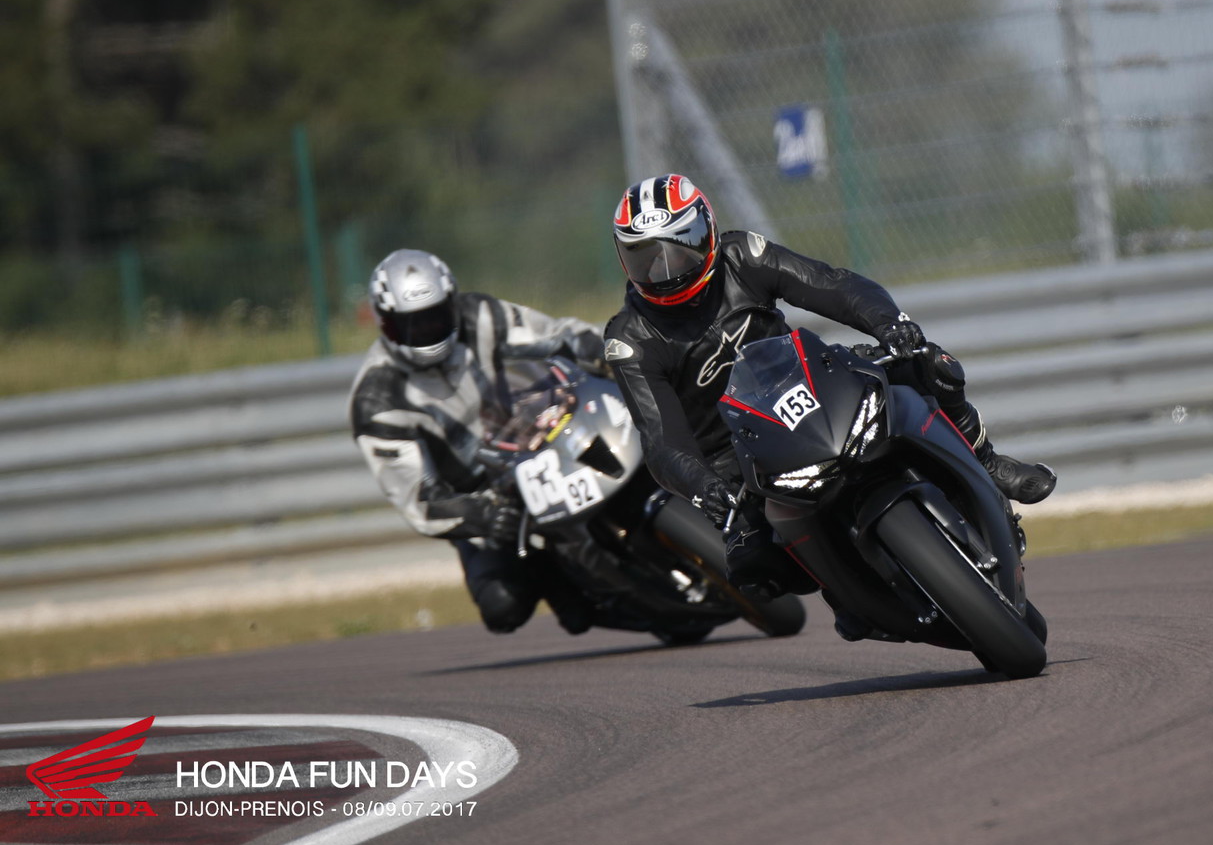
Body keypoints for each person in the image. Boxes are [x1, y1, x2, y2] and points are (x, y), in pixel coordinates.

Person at [602, 174, 1056, 605]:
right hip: (738, 456)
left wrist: (889, 324)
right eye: (646, 258)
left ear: (706, 232)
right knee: (755, 569)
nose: (665, 270)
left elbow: (831, 285)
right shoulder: (630, 338)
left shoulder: (744, 256)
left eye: (679, 249)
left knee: (929, 364)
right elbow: (661, 439)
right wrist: (703, 488)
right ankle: (850, 595)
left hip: (811, 384)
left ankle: (986, 461)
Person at [348, 248, 608, 635]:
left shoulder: (481, 316)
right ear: (386, 324)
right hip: (485, 500)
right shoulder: (376, 400)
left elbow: (556, 335)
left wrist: (601, 350)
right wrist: (484, 514)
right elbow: (421, 503)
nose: (427, 330)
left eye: (436, 316)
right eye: (412, 324)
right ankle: (551, 575)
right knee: (502, 607)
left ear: (452, 304)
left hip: (543, 443)